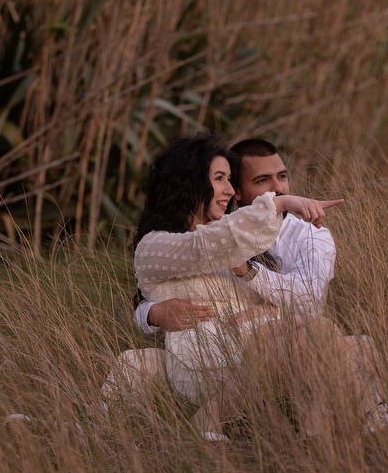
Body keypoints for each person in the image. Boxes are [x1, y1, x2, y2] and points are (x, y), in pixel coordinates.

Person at [130, 132, 385, 439]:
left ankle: (322, 432)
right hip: (204, 357)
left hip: (255, 345)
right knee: (319, 333)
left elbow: (305, 298)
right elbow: (203, 246)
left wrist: (260, 301)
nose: (228, 189)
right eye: (220, 179)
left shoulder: (256, 240)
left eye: (282, 178)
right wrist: (282, 204)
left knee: (358, 343)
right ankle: (341, 425)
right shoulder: (160, 244)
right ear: (191, 183)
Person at [134, 139, 337, 334]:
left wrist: (255, 282)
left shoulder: (311, 234)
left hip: (276, 334)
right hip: (243, 342)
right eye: (262, 180)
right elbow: (194, 251)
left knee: (332, 333)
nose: (278, 189)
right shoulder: (225, 234)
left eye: (282, 177)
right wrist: (150, 314)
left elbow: (311, 300)